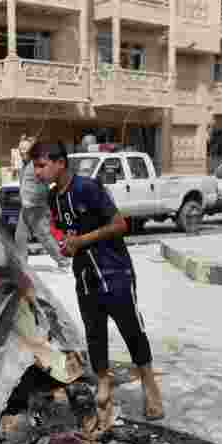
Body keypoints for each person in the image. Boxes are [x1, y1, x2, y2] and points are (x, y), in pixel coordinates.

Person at [30, 141, 164, 427]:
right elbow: (67, 235)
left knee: (131, 328)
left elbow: (120, 225)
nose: (38, 172)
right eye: (35, 167)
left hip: (115, 271)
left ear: (60, 163)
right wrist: (67, 247)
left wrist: (82, 241)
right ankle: (104, 389)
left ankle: (150, 386)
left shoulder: (88, 188)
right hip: (86, 276)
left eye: (42, 165)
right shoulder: (54, 199)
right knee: (94, 333)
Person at [16, 137, 70, 271]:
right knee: (20, 236)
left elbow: (45, 185)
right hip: (26, 208)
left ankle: (63, 261)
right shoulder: (25, 165)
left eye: (25, 149)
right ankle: (22, 265)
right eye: (20, 149)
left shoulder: (37, 165)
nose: (22, 151)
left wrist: (35, 199)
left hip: (36, 207)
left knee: (44, 236)